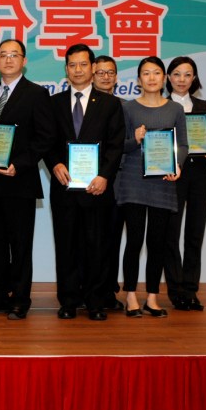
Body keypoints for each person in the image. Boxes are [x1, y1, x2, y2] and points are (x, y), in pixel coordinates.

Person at [0, 38, 54, 320]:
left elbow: (45, 138)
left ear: (24, 61)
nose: (8, 60)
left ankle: (19, 299)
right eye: (3, 55)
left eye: (14, 55)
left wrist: (20, 164)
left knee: (19, 246)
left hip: (19, 182)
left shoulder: (37, 94)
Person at [45, 44, 125, 321]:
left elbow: (115, 145)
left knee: (96, 245)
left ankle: (95, 302)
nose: (77, 70)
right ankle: (68, 301)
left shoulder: (110, 104)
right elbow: (47, 141)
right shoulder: (53, 103)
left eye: (83, 64)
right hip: (64, 186)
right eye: (72, 65)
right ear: (66, 69)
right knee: (65, 245)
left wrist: (104, 176)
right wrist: (54, 163)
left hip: (96, 188)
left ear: (92, 68)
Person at [114, 56, 187, 317]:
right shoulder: (128, 108)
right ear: (138, 80)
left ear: (164, 78)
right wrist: (134, 139)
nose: (152, 78)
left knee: (157, 242)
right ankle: (131, 295)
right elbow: (119, 146)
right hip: (132, 182)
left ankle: (153, 297)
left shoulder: (175, 109)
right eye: (146, 73)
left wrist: (177, 164)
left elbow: (183, 144)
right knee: (134, 241)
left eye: (156, 73)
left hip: (163, 183)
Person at [163, 56, 206, 311]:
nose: (182, 79)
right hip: (172, 176)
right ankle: (176, 291)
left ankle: (191, 290)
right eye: (176, 74)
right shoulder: (162, 105)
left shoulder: (203, 105)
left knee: (195, 234)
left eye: (187, 74)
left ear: (194, 78)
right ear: (168, 77)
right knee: (171, 235)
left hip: (200, 175)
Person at [92, 53, 124, 309]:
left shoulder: (125, 106)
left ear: (116, 76)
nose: (105, 77)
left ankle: (108, 291)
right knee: (90, 239)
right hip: (89, 182)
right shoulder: (83, 105)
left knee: (112, 239)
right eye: (100, 72)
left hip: (119, 184)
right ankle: (89, 289)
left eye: (110, 72)